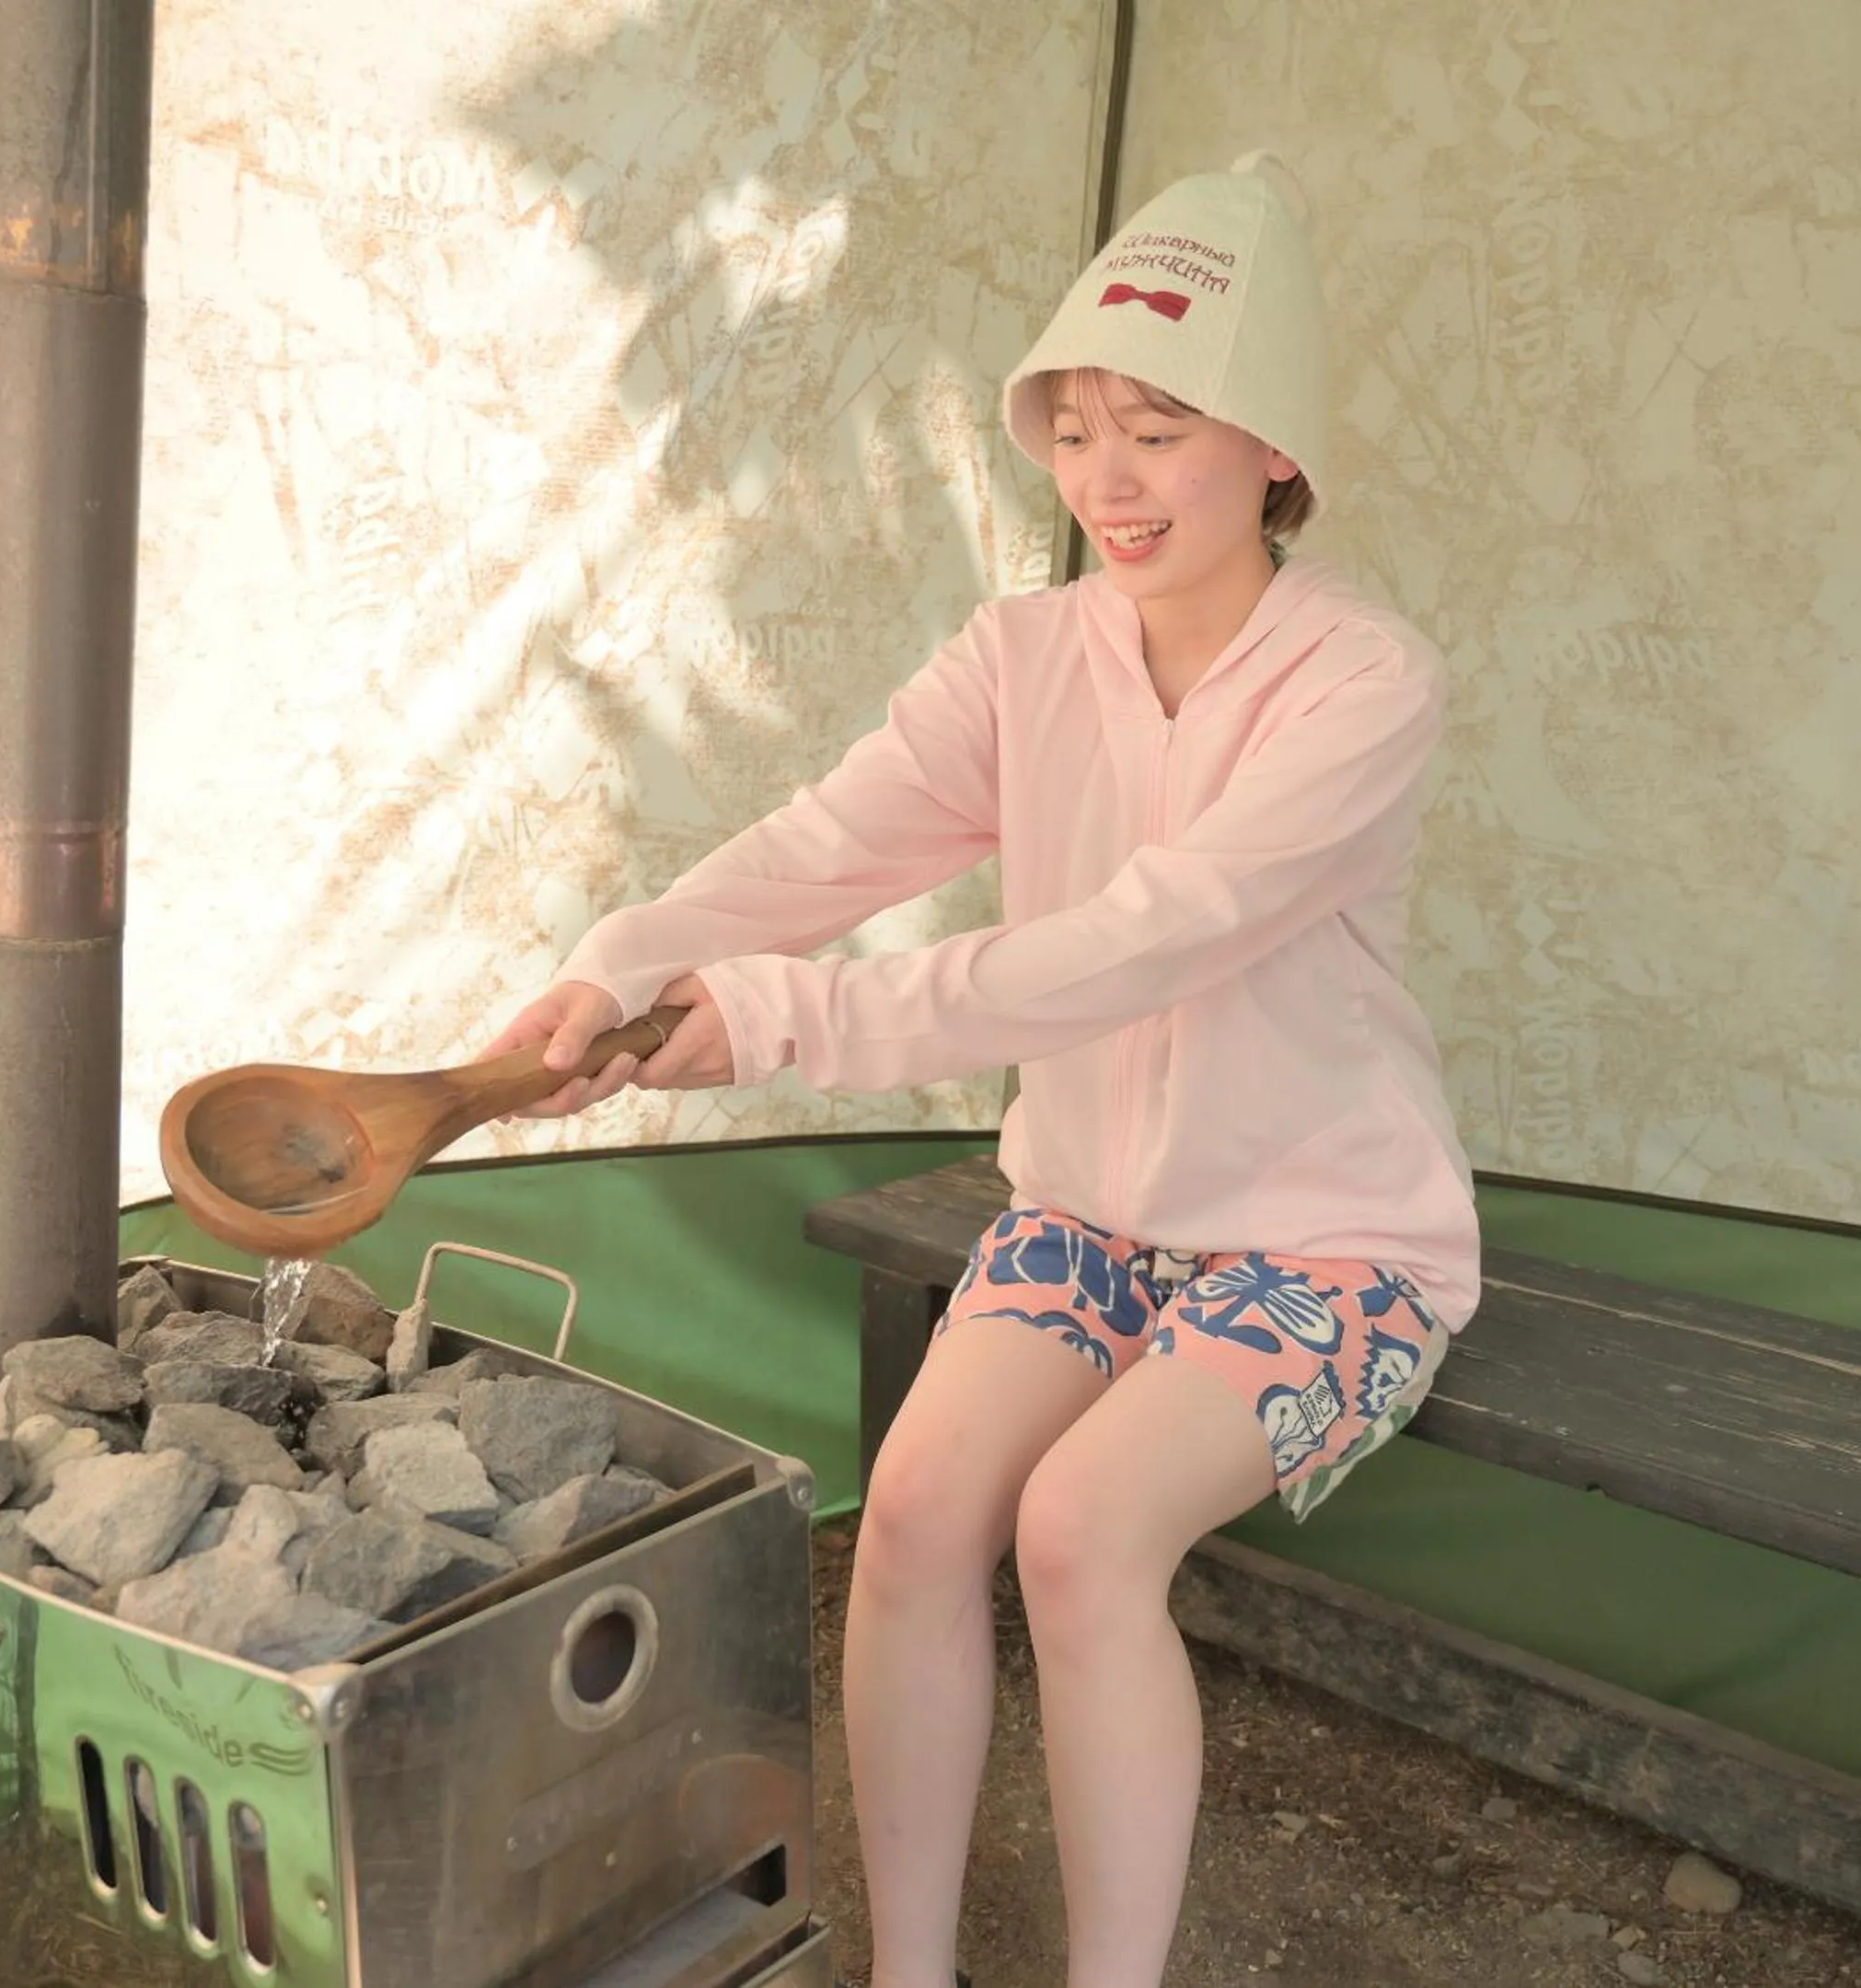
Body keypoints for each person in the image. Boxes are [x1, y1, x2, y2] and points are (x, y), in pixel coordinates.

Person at [482, 154, 1479, 1988]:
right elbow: (831, 844)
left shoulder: (1363, 686)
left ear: (1273, 449)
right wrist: (625, 964)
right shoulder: (1024, 653)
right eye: (1076, 428)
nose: (1108, 477)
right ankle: (906, 1974)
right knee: (917, 1517)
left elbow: (1153, 934)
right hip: (1090, 1211)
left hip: (1329, 1238)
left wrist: (782, 1021)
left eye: (1162, 430)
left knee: (1082, 1536)